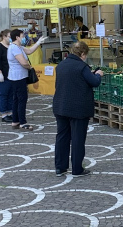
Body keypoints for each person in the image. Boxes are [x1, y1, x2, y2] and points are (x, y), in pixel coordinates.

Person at [52, 41, 102, 177]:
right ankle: (77, 169)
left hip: (61, 106)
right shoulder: (82, 66)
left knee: (62, 137)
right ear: (83, 54)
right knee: (78, 138)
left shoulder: (61, 65)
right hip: (78, 108)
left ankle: (60, 167)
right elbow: (94, 82)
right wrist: (98, 74)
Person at [8, 28, 45, 131]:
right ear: (17, 37)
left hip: (19, 76)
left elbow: (29, 51)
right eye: (22, 36)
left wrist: (38, 42)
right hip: (18, 77)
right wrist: (30, 67)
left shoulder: (19, 47)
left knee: (16, 99)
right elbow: (23, 62)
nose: (24, 38)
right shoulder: (14, 48)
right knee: (22, 99)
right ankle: (22, 122)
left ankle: (15, 120)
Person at [0, 29, 13, 123]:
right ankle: (4, 114)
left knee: (10, 94)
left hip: (11, 74)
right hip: (3, 74)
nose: (11, 39)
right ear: (4, 36)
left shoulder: (11, 46)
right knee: (3, 94)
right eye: (9, 37)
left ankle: (10, 112)